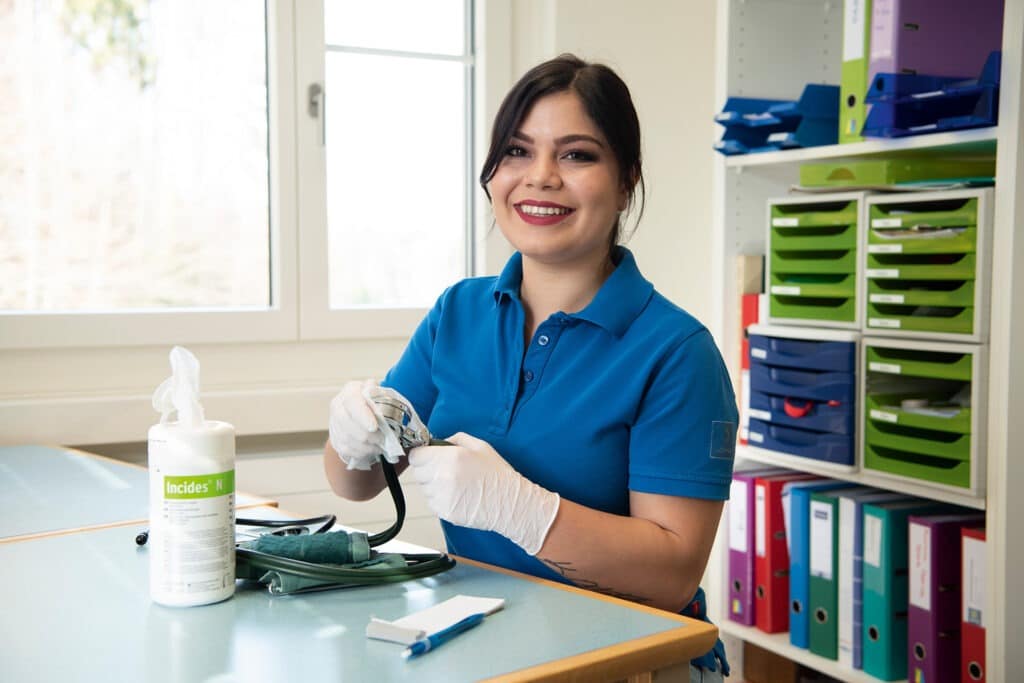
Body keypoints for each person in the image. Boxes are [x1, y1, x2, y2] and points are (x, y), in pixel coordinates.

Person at [324, 53, 737, 678]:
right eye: (517, 151)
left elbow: (672, 576)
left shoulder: (676, 353)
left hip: (629, 662)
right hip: (486, 644)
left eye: (576, 155)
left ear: (625, 180)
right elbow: (356, 484)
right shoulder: (458, 312)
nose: (540, 177)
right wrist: (352, 437)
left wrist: (521, 509)